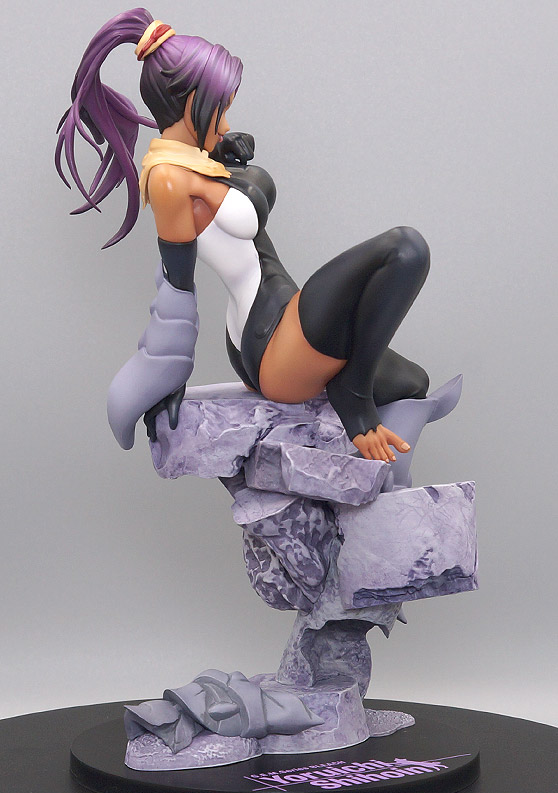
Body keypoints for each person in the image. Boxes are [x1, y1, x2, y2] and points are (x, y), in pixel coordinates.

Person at [56, 8, 430, 463]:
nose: (227, 124)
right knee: (406, 249)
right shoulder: (169, 178)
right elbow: (177, 286)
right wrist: (165, 376)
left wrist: (223, 155)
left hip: (275, 329)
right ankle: (353, 399)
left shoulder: (194, 160)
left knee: (413, 383)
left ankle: (379, 453)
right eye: (222, 108)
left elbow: (223, 197)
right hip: (275, 340)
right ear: (192, 101)